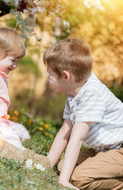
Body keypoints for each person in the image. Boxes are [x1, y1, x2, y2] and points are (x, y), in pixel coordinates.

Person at [43, 38, 123, 190]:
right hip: (106, 149)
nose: (48, 79)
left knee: (79, 179)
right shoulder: (74, 92)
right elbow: (64, 132)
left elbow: (77, 137)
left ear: (66, 76)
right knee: (63, 167)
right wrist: (46, 165)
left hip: (120, 150)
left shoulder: (92, 93)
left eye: (50, 74)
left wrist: (64, 181)